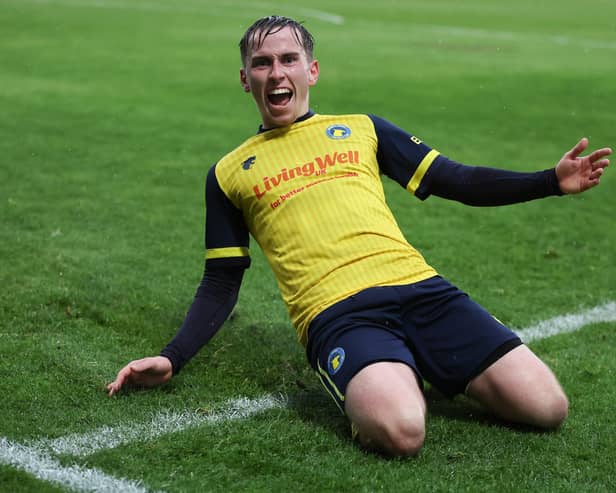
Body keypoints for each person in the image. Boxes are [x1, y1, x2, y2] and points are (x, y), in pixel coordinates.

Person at [107, 15, 611, 457]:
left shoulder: (362, 128)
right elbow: (221, 280)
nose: (276, 73)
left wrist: (549, 181)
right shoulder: (228, 173)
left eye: (288, 59)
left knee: (547, 407)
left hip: (422, 289)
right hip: (339, 315)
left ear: (312, 70)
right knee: (402, 431)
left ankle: (406, 362)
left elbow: (455, 179)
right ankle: (390, 370)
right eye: (262, 63)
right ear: (245, 79)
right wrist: (173, 357)